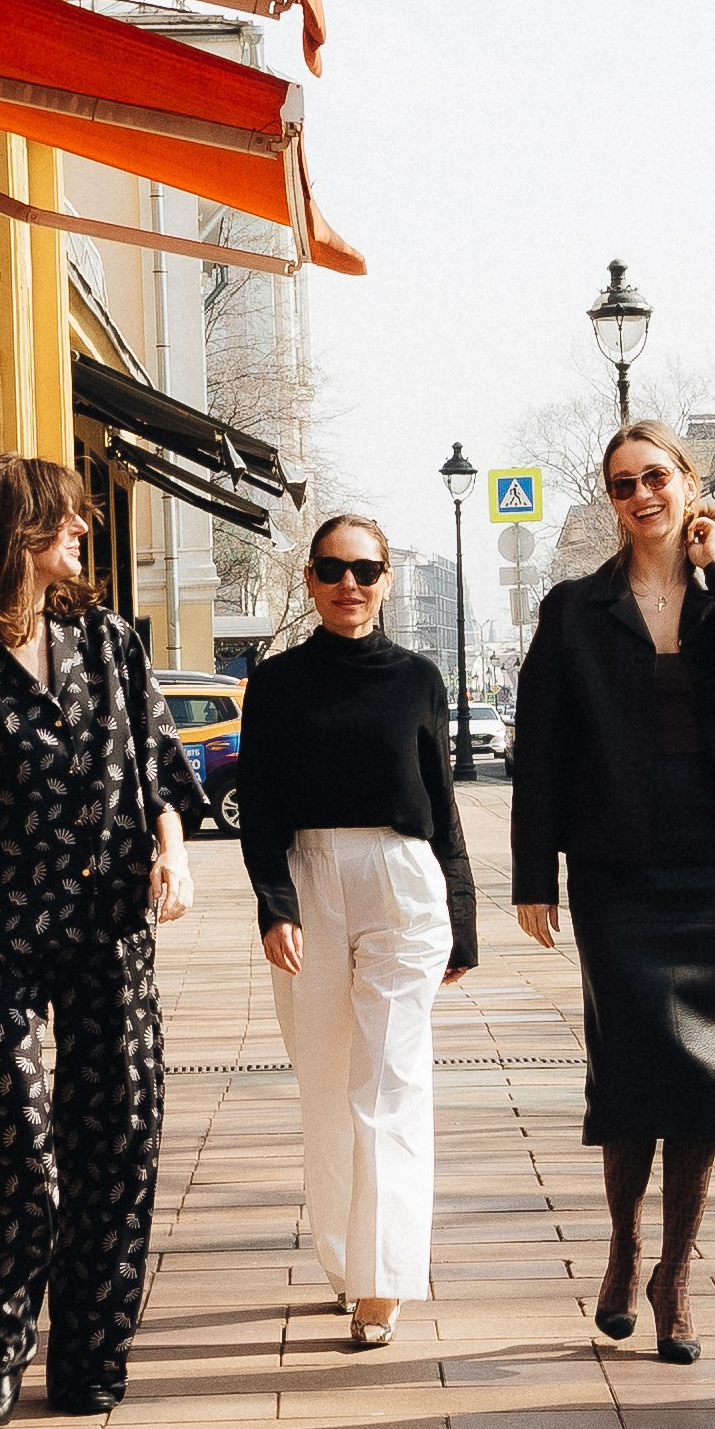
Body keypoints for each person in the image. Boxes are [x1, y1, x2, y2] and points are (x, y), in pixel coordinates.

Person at [0, 455, 209, 1429]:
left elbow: (157, 761)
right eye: (67, 522)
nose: (83, 535)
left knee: (117, 1133)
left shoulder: (108, 642)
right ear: (20, 535)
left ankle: (90, 1355)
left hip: (110, 922)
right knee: (8, 1145)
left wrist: (174, 857)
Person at [510, 421, 715, 1362]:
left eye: (657, 477)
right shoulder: (575, 609)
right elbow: (540, 750)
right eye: (624, 484)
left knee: (706, 1063)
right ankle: (625, 1240)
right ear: (612, 500)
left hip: (711, 846)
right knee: (632, 1061)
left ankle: (677, 1271)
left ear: (688, 482)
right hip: (612, 856)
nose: (642, 495)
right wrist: (532, 877)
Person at [241, 514, 477, 1350]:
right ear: (309, 580)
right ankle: (345, 1259)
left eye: (367, 568)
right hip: (309, 878)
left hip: (403, 886)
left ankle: (384, 1279)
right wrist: (275, 903)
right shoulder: (274, 682)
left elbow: (442, 803)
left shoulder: (417, 677)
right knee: (326, 1084)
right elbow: (259, 803)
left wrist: (464, 918)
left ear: (385, 580)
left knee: (390, 1081)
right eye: (334, 568)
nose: (351, 583)